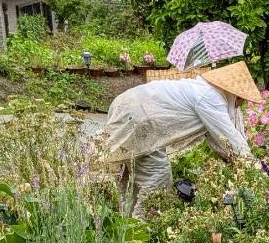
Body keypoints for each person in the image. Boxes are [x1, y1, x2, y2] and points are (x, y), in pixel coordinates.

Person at [105, 64, 258, 215]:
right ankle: (140, 229)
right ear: (234, 93)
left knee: (132, 184)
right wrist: (255, 170)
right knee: (157, 180)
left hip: (129, 106)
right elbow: (229, 140)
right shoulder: (210, 98)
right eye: (242, 99)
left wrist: (230, 159)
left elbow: (217, 140)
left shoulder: (203, 91)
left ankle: (127, 229)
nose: (242, 104)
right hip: (140, 118)